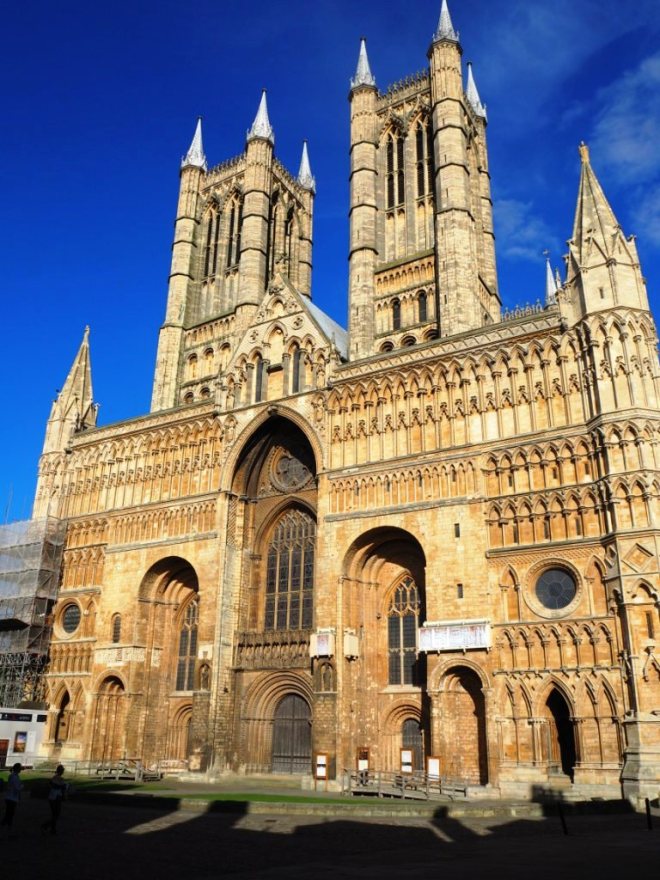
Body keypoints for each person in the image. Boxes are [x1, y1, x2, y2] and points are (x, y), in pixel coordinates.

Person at [42, 765, 68, 835]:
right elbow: (60, 787)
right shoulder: (60, 779)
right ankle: (46, 825)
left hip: (52, 797)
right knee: (56, 814)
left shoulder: (54, 778)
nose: (63, 772)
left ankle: (53, 829)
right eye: (62, 770)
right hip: (56, 798)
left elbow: (52, 785)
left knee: (54, 814)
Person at [1, 763, 22, 838]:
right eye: (20, 768)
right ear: (17, 769)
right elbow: (17, 788)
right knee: (9, 814)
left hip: (10, 797)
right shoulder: (15, 777)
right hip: (12, 798)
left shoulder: (13, 776)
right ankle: (5, 826)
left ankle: (7, 826)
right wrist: (21, 786)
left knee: (9, 813)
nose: (21, 770)